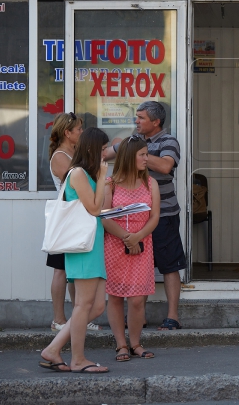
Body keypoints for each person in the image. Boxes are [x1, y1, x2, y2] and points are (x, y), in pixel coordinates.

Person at [109, 101, 185, 330]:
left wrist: (137, 152)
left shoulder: (168, 141)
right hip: (136, 217)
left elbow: (164, 166)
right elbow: (108, 153)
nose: (136, 121)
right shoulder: (134, 139)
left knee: (169, 265)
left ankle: (173, 316)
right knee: (138, 266)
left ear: (156, 122)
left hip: (164, 215)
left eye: (141, 118)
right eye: (137, 117)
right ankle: (137, 316)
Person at [39, 127, 110, 373]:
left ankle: (53, 348)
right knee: (83, 305)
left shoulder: (85, 173)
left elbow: (97, 207)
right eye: (102, 149)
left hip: (92, 245)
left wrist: (101, 180)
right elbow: (94, 208)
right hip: (83, 248)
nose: (105, 155)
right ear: (92, 149)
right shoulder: (78, 173)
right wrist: (102, 177)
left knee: (97, 306)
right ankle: (78, 359)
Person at [102, 135, 161, 361]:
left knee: (137, 299)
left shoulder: (150, 183)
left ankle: (135, 343)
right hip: (116, 244)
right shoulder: (111, 183)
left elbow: (155, 217)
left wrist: (138, 237)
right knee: (116, 297)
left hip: (142, 242)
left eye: (147, 154)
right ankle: (121, 345)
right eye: (143, 154)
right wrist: (128, 238)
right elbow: (105, 217)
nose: (147, 158)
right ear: (129, 157)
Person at [46, 112, 102, 333]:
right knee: (61, 270)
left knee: (75, 274)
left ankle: (80, 315)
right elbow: (74, 185)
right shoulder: (60, 156)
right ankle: (59, 320)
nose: (81, 132)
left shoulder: (75, 153)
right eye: (78, 129)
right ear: (67, 133)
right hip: (68, 220)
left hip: (80, 218)